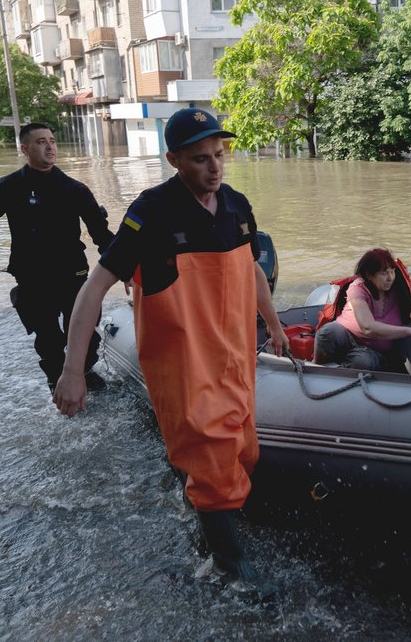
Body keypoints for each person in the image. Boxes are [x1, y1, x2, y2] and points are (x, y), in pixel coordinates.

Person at [52, 108, 288, 596]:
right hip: (182, 367)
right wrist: (73, 369)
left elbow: (252, 272)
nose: (214, 167)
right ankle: (230, 567)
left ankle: (200, 520)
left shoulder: (238, 207)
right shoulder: (151, 212)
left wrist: (274, 324)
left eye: (220, 155)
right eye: (200, 158)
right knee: (212, 459)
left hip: (234, 359)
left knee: (244, 451)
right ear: (174, 159)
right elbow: (94, 289)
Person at [0, 122, 114, 393]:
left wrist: (125, 269)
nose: (50, 146)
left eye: (52, 141)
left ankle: (85, 372)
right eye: (41, 142)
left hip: (73, 273)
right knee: (48, 337)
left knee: (83, 331)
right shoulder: (8, 188)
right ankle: (55, 379)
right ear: (24, 149)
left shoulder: (75, 189)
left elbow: (101, 233)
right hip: (32, 276)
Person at [312, 248, 411, 372]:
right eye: (384, 273)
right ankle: (315, 365)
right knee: (328, 332)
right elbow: (367, 328)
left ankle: (346, 367)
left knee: (362, 362)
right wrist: (410, 331)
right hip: (348, 337)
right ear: (369, 275)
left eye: (392, 272)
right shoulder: (358, 288)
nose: (390, 278)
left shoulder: (398, 287)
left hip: (375, 351)